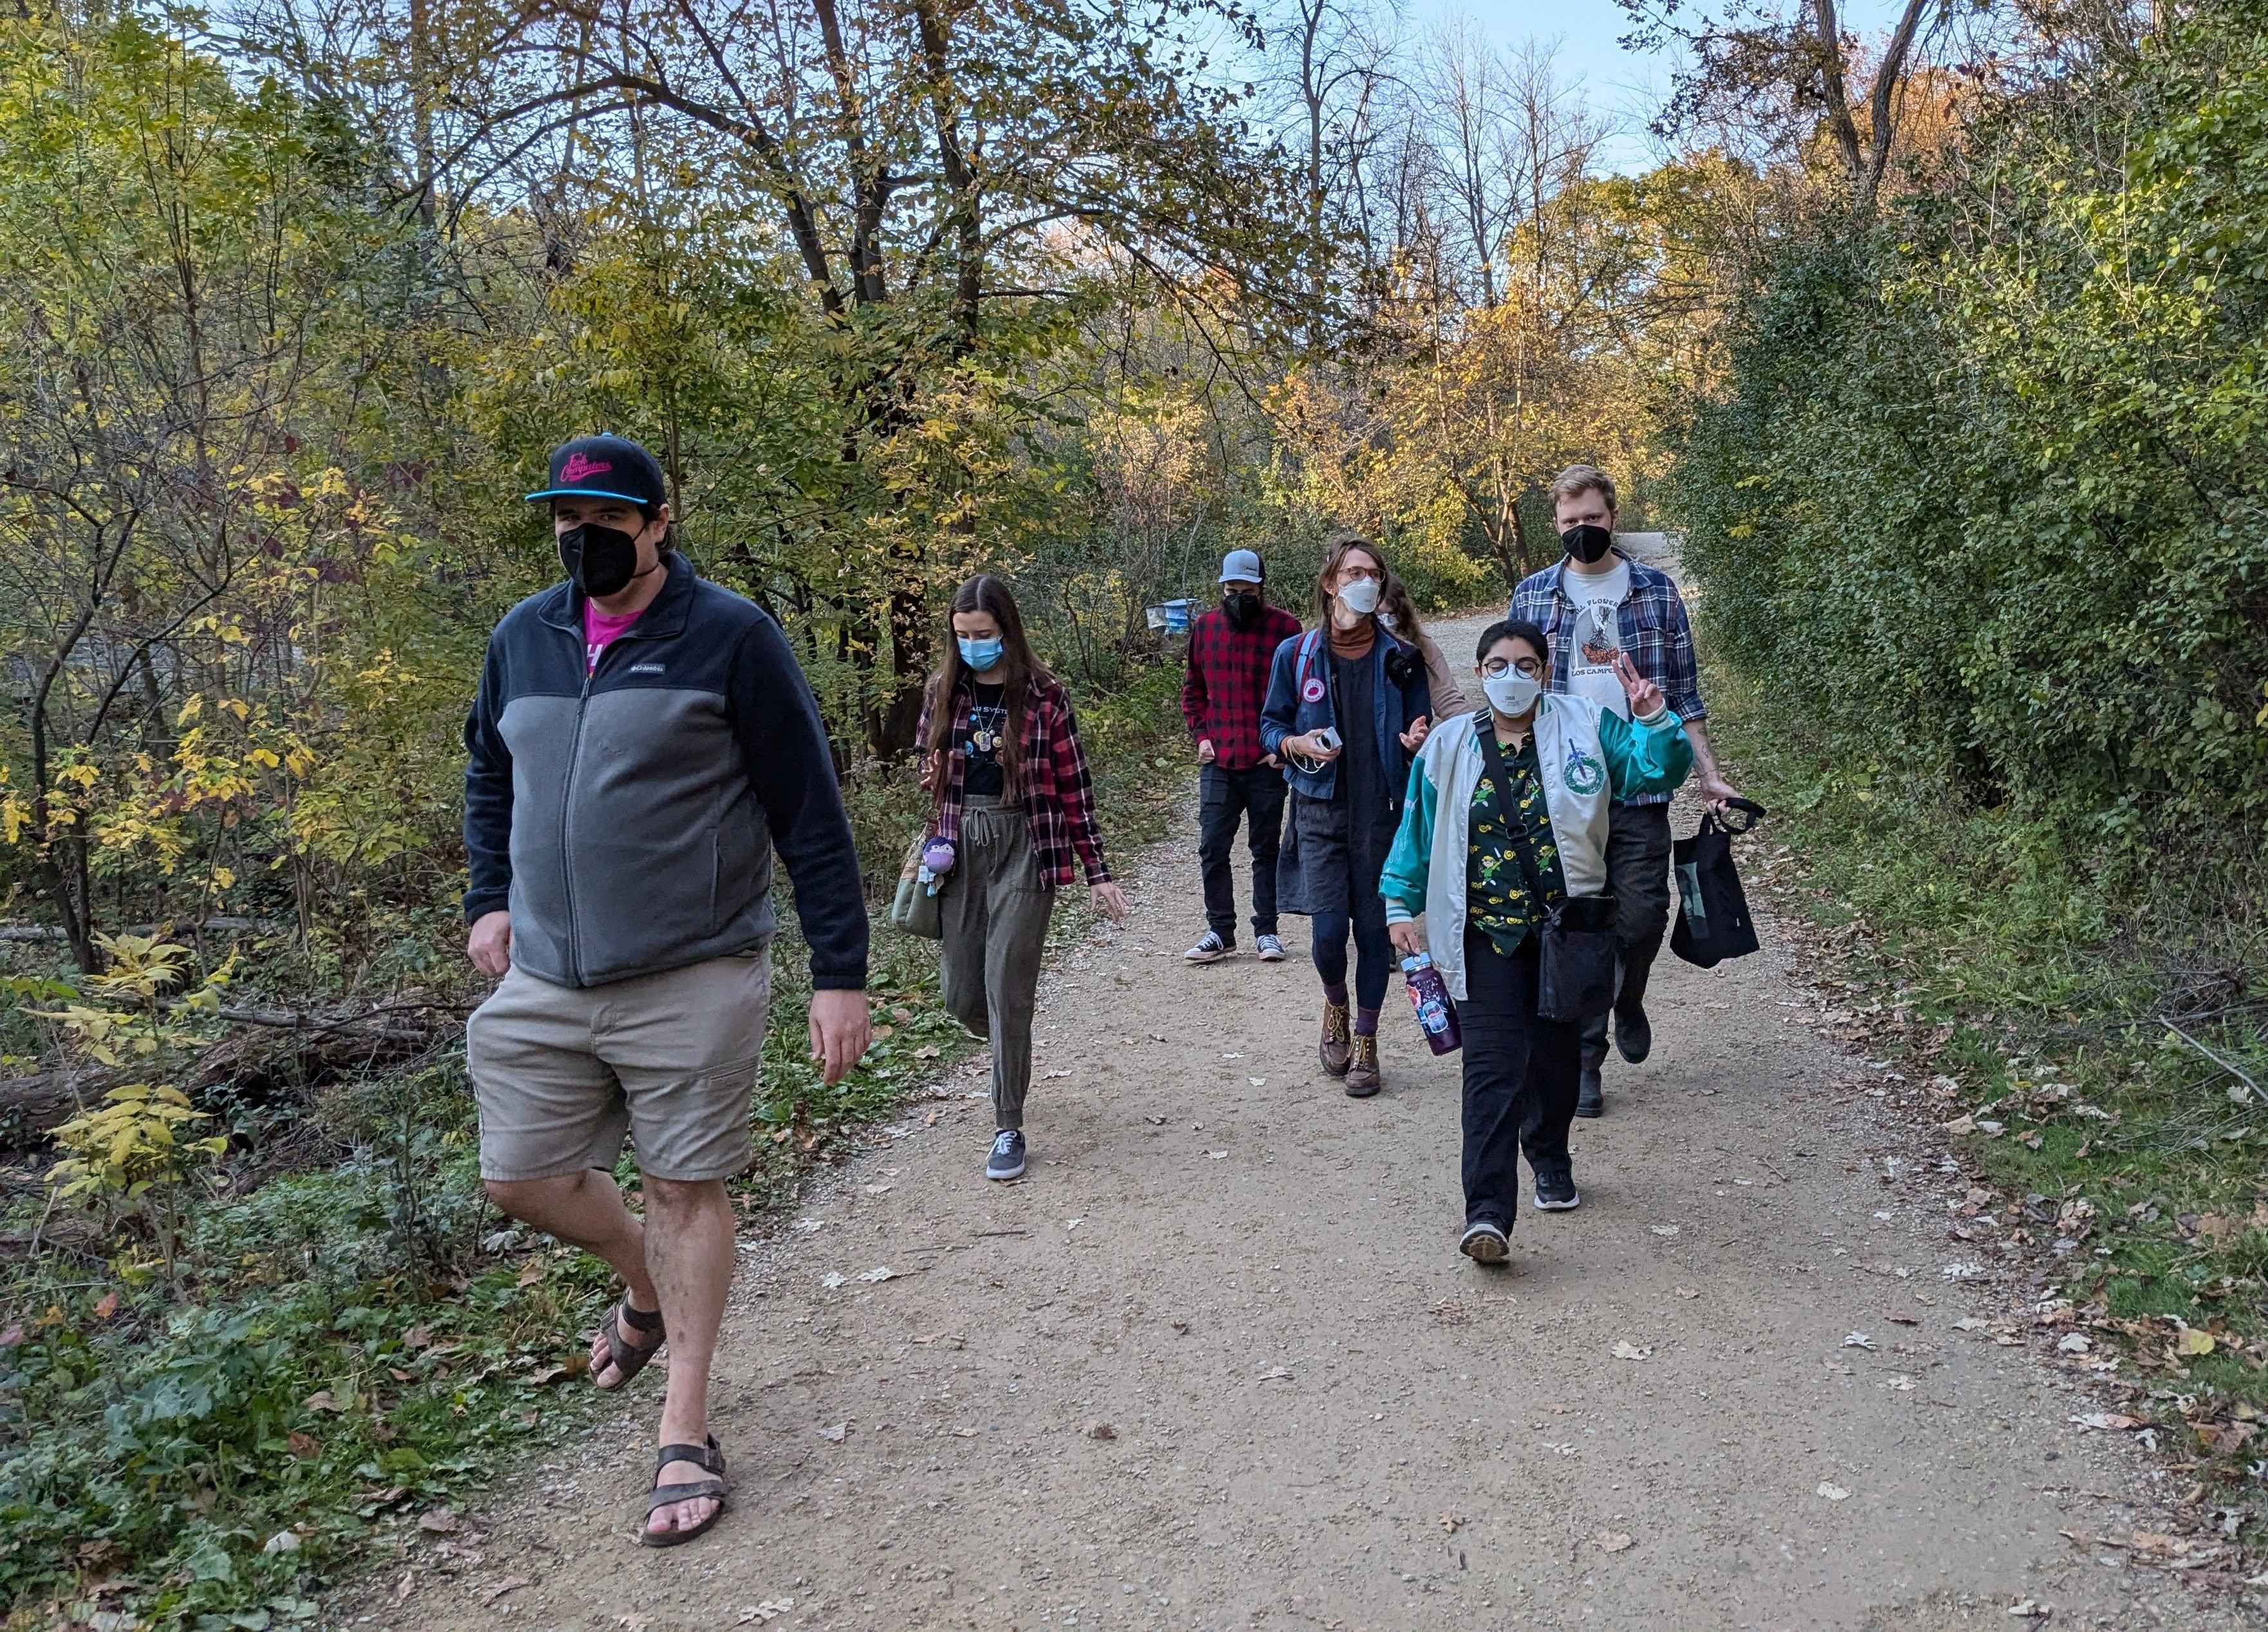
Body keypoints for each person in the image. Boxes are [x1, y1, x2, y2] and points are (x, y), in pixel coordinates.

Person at [462, 434, 872, 1547]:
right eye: (563, 518)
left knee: (686, 1187)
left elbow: (810, 812)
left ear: (657, 522)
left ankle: (684, 1426)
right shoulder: (523, 637)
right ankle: (648, 1284)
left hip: (695, 969)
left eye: (603, 521)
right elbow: (489, 770)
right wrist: (487, 895)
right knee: (519, 1174)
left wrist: (842, 972)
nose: (579, 539)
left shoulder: (731, 637)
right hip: (544, 972)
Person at [1380, 619, 1691, 1261]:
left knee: (1554, 1069)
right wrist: (1399, 904)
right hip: (1483, 934)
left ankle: (1548, 1151)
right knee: (1491, 1071)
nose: (1512, 675)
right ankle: (1487, 1213)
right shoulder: (1447, 746)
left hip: (1567, 933)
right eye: (1498, 664)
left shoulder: (1584, 724)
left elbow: (1648, 772)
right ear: (1479, 671)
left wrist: (1654, 719)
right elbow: (1416, 830)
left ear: (1546, 671)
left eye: (1526, 663)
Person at [1510, 464, 1740, 1118]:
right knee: (1580, 922)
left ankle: (1627, 997)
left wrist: (1708, 774)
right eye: (1570, 521)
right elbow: (1513, 696)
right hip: (1565, 788)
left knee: (1639, 917)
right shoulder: (1531, 597)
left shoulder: (1658, 593)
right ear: (1555, 523)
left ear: (1613, 516)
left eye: (1594, 518)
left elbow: (1687, 698)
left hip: (1641, 781)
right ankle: (1587, 1057)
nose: (1582, 530)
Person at [918, 574, 1130, 1182]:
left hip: (1026, 845)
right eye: (962, 636)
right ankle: (1012, 1037)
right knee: (962, 994)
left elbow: (1074, 787)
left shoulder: (1043, 695)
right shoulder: (943, 690)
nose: (972, 646)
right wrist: (931, 774)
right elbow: (925, 765)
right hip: (960, 847)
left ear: (1006, 631)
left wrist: (1097, 872)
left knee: (1006, 982)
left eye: (983, 635)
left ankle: (1006, 1122)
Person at [1260, 535, 1434, 1096]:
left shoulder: (1401, 658)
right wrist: (1296, 744)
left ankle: (1366, 1038)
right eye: (1353, 571)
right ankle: (1334, 1002)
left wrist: (1415, 741)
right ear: (1331, 582)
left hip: (1382, 812)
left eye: (1373, 574)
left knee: (1375, 933)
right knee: (1330, 932)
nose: (1364, 581)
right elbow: (1270, 726)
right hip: (1318, 809)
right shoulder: (1297, 654)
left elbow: (1420, 729)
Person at [1180, 548, 1304, 965]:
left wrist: (1286, 748)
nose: (1238, 597)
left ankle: (1266, 931)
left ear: (1260, 588)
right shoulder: (1205, 627)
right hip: (1218, 758)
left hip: (1266, 760)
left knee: (1265, 848)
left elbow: (1302, 694)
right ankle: (1219, 931)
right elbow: (1192, 690)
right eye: (1231, 590)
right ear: (1221, 588)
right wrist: (1201, 736)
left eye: (1246, 590)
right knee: (1212, 846)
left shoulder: (1286, 630)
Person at [1378, 576, 1471, 718]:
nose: (1386, 622)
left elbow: (1446, 696)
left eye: (1391, 615)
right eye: (1378, 615)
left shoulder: (1419, 643)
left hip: (1411, 734)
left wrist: (1472, 726)